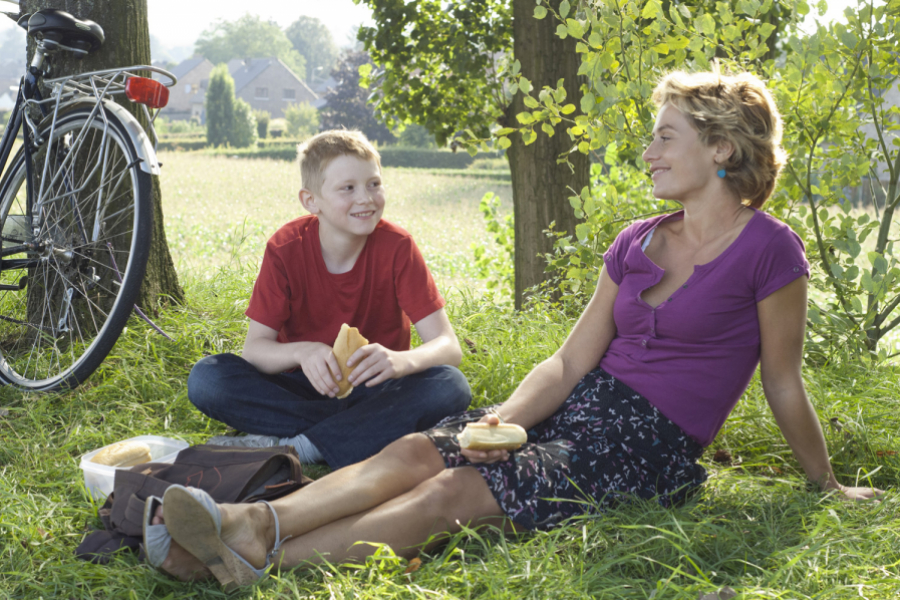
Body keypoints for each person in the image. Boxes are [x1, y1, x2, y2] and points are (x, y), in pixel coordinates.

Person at [152, 70, 881, 585]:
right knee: (419, 450)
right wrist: (500, 421)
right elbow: (568, 364)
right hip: (577, 406)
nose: (649, 152)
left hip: (648, 443)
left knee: (450, 497)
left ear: (721, 149)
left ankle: (261, 554)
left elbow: (783, 380)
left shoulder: (770, 250)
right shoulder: (636, 241)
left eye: (666, 137)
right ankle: (246, 520)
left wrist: (825, 484)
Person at [186, 130, 471, 469]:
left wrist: (400, 361)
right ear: (311, 200)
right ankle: (354, 433)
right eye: (347, 188)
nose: (365, 198)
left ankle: (300, 447)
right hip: (300, 388)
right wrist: (302, 351)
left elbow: (448, 347)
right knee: (207, 379)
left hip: (375, 387)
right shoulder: (285, 248)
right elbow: (255, 350)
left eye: (374, 184)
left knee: (450, 385)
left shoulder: (397, 247)